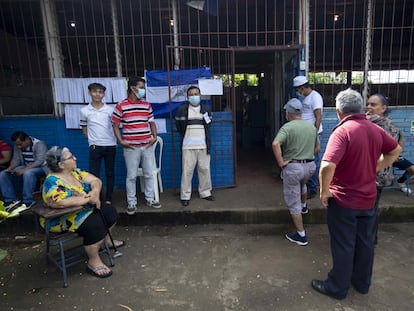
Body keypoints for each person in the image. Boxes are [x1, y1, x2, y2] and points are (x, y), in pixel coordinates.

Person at [313, 89, 401, 300]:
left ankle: (337, 287)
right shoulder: (374, 129)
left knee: (344, 244)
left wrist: (324, 192)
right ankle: (362, 283)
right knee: (365, 243)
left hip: (344, 201)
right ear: (360, 108)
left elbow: (326, 166)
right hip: (368, 199)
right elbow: (396, 150)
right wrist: (375, 168)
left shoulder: (343, 131)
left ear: (338, 111)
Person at [42, 146, 124, 278]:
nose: (75, 158)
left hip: (85, 209)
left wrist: (94, 192)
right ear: (61, 164)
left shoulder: (75, 173)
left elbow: (95, 180)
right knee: (95, 225)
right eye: (71, 157)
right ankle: (93, 261)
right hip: (64, 217)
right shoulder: (52, 181)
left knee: (110, 212)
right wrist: (87, 199)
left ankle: (107, 240)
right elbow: (59, 202)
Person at [272, 98, 320, 246]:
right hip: (309, 166)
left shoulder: (287, 127)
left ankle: (301, 235)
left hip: (293, 167)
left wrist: (281, 162)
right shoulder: (311, 127)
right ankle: (304, 205)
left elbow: (275, 143)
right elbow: (317, 148)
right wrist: (305, 153)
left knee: (293, 202)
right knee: (302, 185)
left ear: (288, 113)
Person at [112, 76, 161, 215]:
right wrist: (121, 141)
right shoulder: (121, 105)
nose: (143, 91)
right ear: (132, 88)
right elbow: (115, 125)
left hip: (147, 145)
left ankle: (150, 199)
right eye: (141, 87)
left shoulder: (146, 105)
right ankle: (132, 203)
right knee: (131, 176)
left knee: (149, 174)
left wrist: (154, 137)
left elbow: (151, 122)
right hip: (131, 147)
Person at [175, 86, 215, 207]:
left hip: (203, 145)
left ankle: (205, 192)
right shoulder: (182, 109)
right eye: (191, 95)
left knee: (205, 169)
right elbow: (179, 127)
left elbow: (209, 124)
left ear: (200, 95)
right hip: (188, 146)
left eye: (196, 94)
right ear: (187, 97)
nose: (194, 96)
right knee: (187, 171)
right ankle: (185, 196)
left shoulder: (206, 109)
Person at [367, 94, 414, 194]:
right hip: (372, 164)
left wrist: (394, 155)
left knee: (412, 169)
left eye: (373, 105)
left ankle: (400, 182)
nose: (369, 107)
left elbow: (391, 149)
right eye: (368, 104)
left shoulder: (388, 125)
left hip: (386, 160)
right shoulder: (364, 122)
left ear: (383, 108)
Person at [80, 82, 117, 205]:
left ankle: (109, 198)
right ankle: (98, 198)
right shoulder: (84, 111)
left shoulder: (110, 110)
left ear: (104, 94)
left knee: (109, 172)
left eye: (100, 92)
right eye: (95, 91)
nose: (98, 94)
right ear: (89, 93)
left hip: (110, 145)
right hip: (95, 146)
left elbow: (115, 127)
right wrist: (93, 140)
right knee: (94, 174)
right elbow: (84, 130)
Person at [293, 75, 323, 203]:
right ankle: (310, 186)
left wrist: (314, 134)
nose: (298, 92)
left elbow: (318, 117)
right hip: (307, 134)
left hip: (312, 134)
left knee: (313, 161)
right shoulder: (307, 98)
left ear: (302, 87)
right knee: (308, 160)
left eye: (298, 90)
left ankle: (313, 188)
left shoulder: (315, 97)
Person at [0, 131, 47, 207]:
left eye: (20, 144)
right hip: (25, 166)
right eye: (17, 145)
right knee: (3, 174)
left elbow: (40, 161)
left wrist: (24, 170)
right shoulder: (17, 146)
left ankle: (28, 200)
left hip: (41, 168)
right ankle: (10, 200)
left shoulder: (39, 144)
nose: (19, 147)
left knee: (28, 173)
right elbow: (16, 159)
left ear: (27, 139)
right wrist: (10, 168)